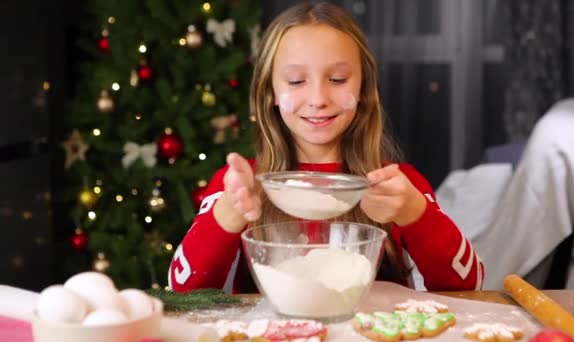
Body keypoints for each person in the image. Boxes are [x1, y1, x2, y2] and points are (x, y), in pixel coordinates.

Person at [169, 1, 484, 293]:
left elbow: (470, 284)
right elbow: (183, 289)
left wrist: (416, 213)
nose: (318, 99)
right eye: (295, 81)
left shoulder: (395, 185)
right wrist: (228, 213)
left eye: (337, 79)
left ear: (363, 88)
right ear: (270, 93)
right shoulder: (242, 184)